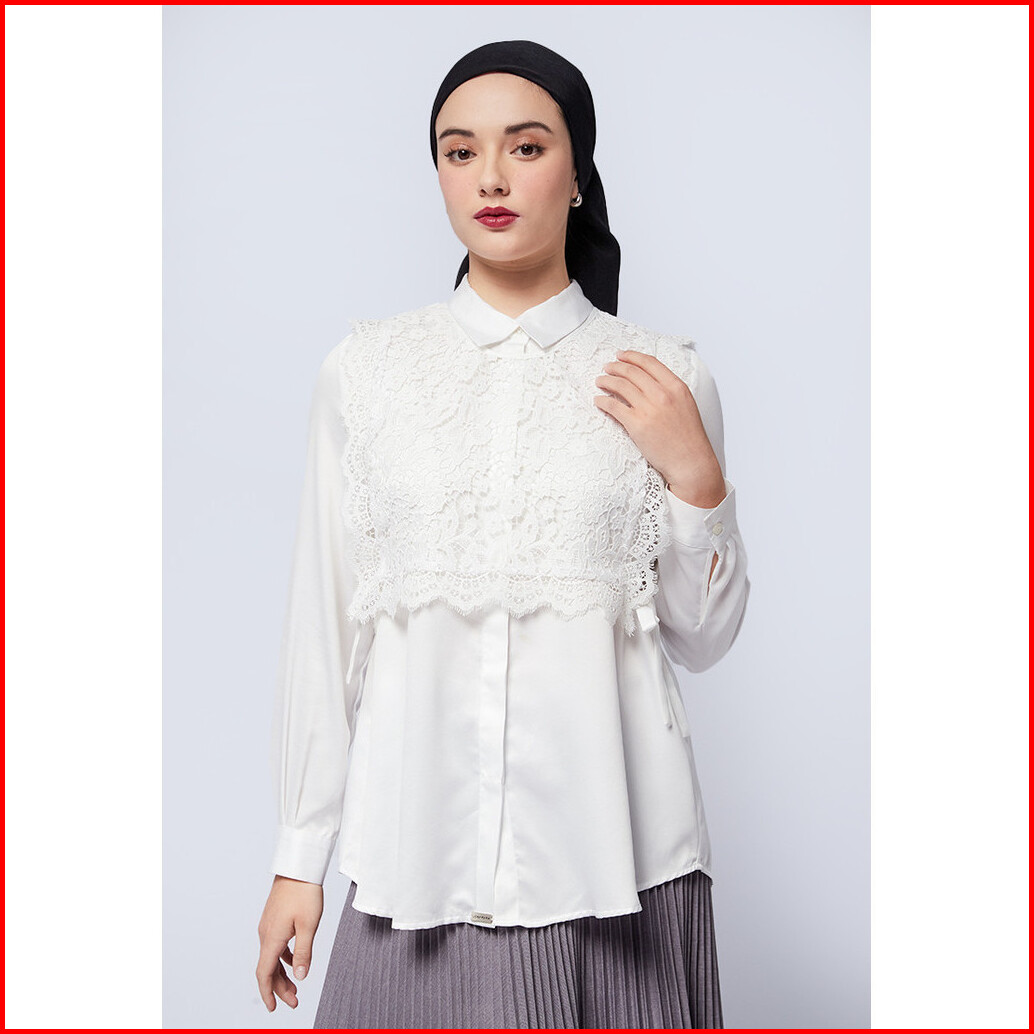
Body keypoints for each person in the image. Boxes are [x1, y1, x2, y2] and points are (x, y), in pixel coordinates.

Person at [255, 39, 750, 1030]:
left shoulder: (664, 374)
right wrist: (299, 857)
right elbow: (326, 624)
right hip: (415, 869)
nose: (489, 176)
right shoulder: (365, 373)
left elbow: (700, 638)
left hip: (618, 867)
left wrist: (696, 478)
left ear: (577, 174)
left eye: (525, 147)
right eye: (459, 150)